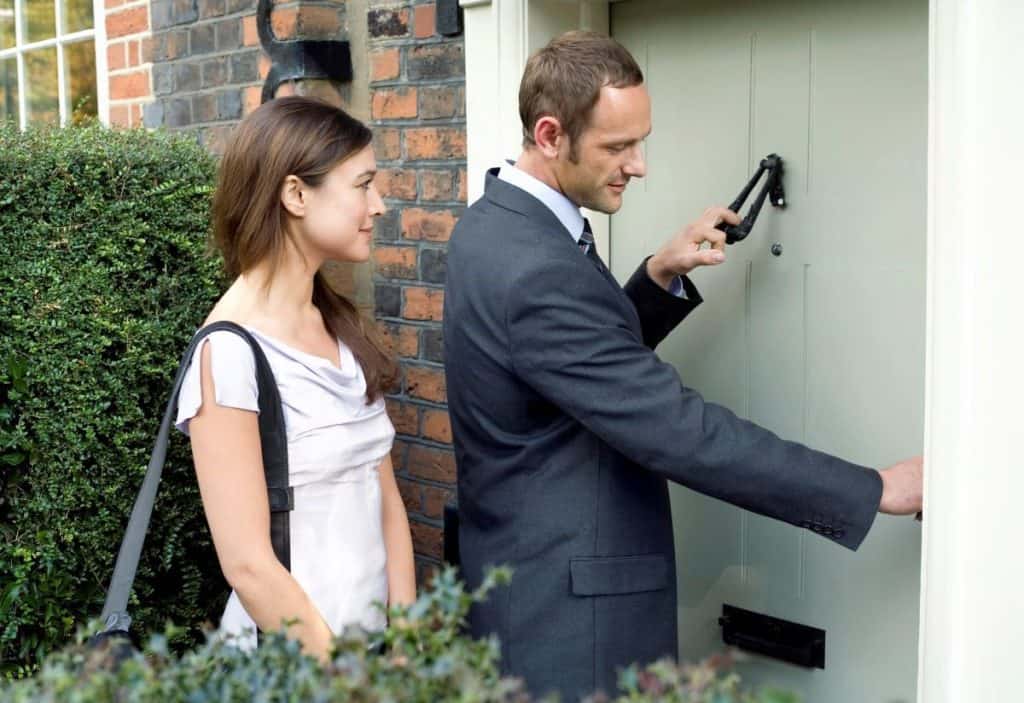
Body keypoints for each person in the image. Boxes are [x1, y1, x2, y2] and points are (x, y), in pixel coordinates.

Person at [443, 31, 923, 700]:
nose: (638, 166)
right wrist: (875, 488)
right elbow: (678, 429)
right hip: (572, 626)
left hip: (528, 591)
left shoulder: (493, 224)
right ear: (550, 135)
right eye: (617, 147)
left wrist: (656, 277)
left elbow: (568, 375)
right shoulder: (536, 267)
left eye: (642, 141)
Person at [175, 96, 416, 660]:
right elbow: (248, 565)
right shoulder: (229, 354)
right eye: (362, 185)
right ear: (296, 195)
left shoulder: (337, 325)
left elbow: (385, 498)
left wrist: (406, 645)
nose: (378, 205)